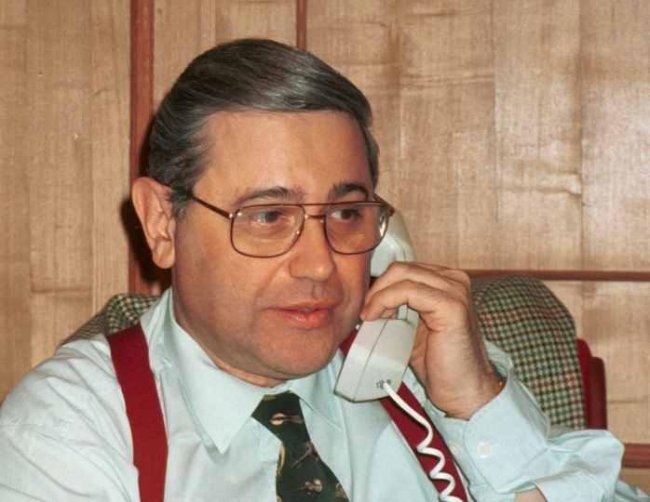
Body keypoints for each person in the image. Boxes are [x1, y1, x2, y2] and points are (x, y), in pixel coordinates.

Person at [0, 38, 645, 502]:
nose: (320, 264)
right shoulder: (70, 428)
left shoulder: (423, 371)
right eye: (267, 215)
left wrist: (477, 404)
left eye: (345, 213)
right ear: (162, 223)